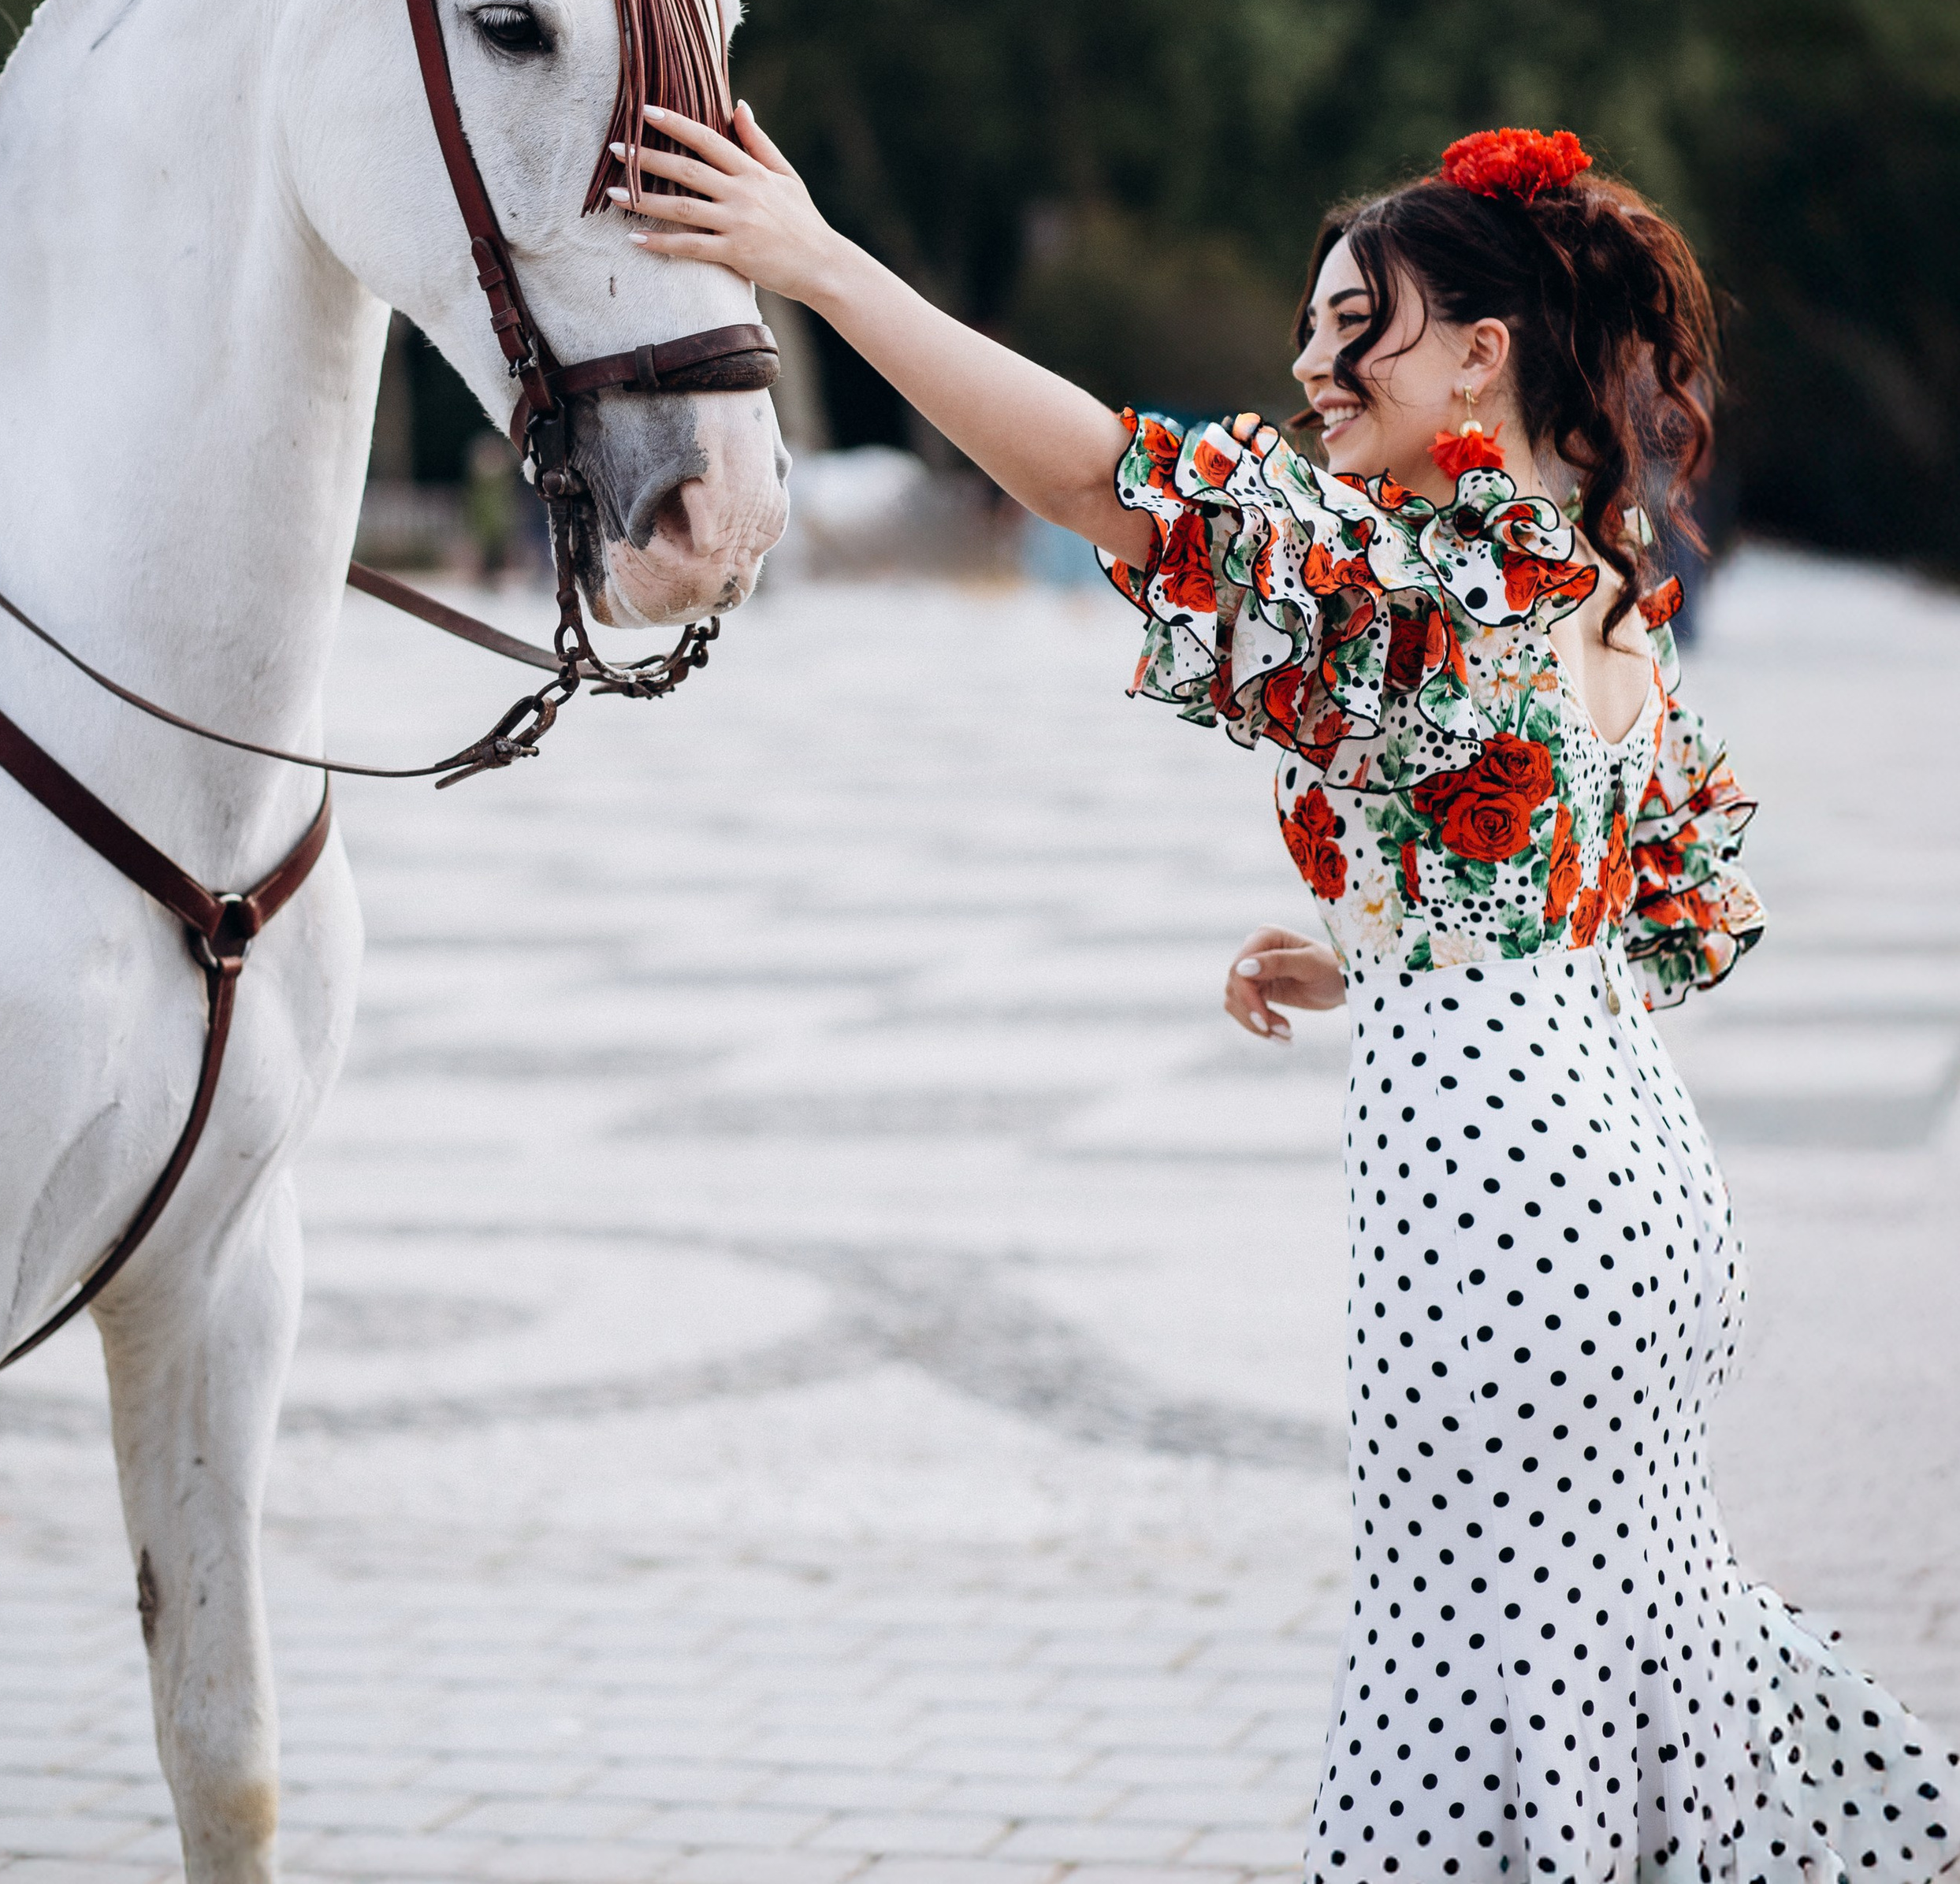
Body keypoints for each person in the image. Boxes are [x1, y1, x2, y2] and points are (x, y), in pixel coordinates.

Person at [616, 103, 1957, 1883]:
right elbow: (1659, 914)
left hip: (1496, 1222)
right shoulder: (1589, 590)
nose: (1311, 365)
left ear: (1479, 355)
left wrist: (812, 263)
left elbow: (1110, 486)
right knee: (1619, 1644)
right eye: (1312, 324)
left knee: (1472, 1675)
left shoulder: (1428, 577)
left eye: (1355, 327)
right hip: (1632, 1199)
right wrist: (1400, 939)